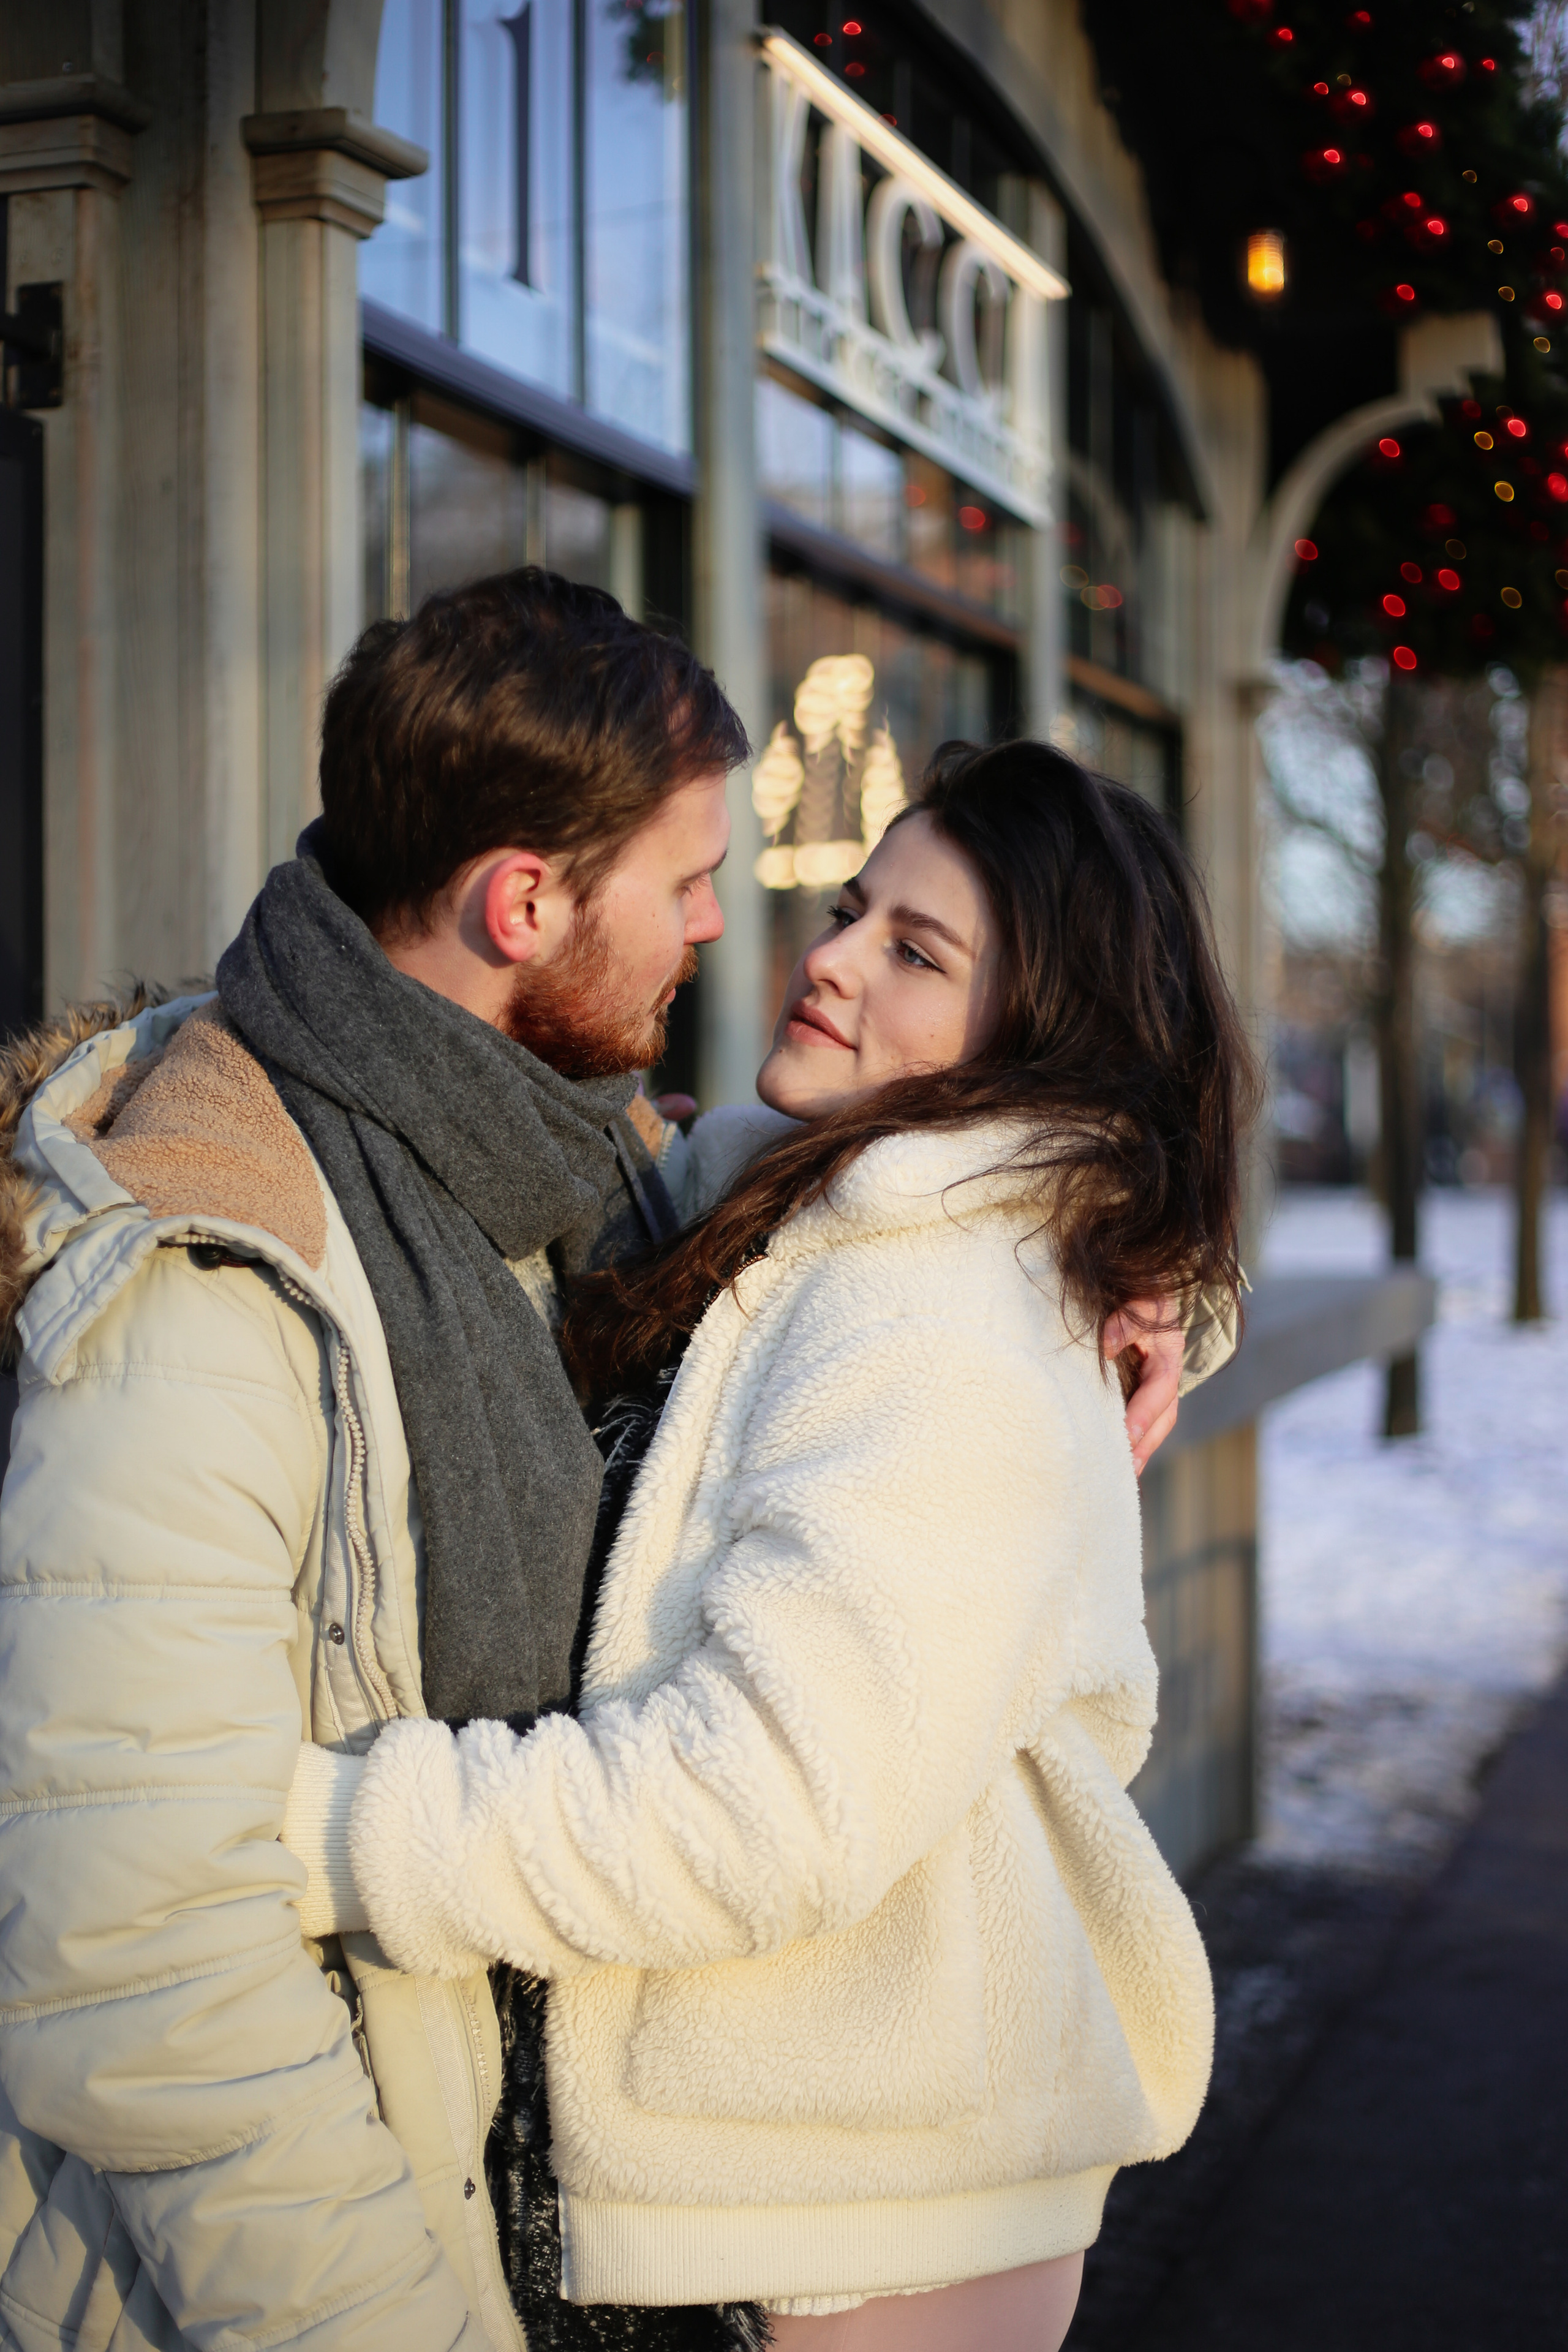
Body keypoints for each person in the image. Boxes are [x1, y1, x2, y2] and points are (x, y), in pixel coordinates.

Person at [0, 573, 1189, 2351]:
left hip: (825, 2210)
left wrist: (1144, 1278)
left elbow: (756, 1796)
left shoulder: (659, 1205)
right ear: (525, 900)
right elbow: (139, 1970)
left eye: (905, 943)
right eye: (713, 883)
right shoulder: (271, 1265)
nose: (778, 935)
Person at [282, 739, 1260, 2352]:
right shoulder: (818, 1215)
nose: (831, 957)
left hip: (865, 2231)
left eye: (916, 951)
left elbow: (752, 1809)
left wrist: (308, 1828)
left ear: (1042, 1043)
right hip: (814, 2167)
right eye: (860, 907)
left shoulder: (952, 1315)